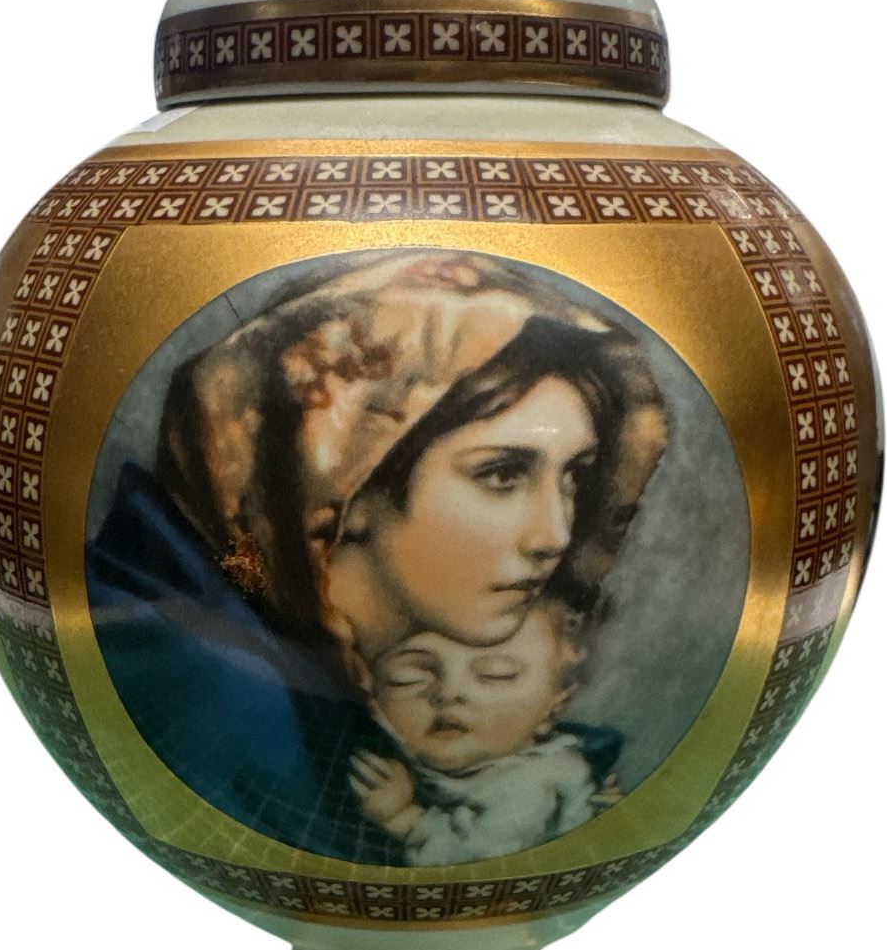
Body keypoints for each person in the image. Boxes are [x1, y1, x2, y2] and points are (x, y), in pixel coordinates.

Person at [86, 250, 668, 864]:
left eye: (575, 477)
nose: (556, 534)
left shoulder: (364, 678)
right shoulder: (205, 697)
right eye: (501, 474)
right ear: (346, 488)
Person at [347, 601, 622, 866]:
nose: (449, 693)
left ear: (552, 709)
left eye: (496, 674)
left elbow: (478, 859)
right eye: (408, 677)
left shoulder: (537, 779)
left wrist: (404, 819)